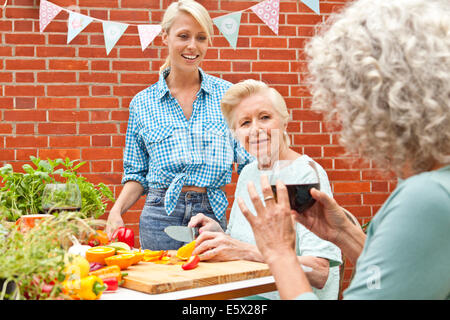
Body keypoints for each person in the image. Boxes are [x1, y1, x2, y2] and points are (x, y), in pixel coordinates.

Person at [237, 0, 450, 300]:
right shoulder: (435, 182)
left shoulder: (425, 197)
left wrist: (279, 253)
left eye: (350, 98)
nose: (344, 116)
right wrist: (344, 235)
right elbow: (396, 276)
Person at [105, 0, 252, 250]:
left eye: (201, 37)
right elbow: (136, 175)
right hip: (159, 216)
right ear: (165, 37)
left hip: (211, 215)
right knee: (163, 285)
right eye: (183, 36)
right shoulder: (142, 103)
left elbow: (250, 164)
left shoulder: (228, 96)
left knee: (211, 286)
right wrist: (116, 211)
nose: (192, 46)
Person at [189, 80, 342, 300]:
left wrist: (242, 250)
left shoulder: (305, 175)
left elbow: (320, 272)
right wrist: (219, 234)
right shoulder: (248, 173)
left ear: (284, 121)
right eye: (245, 123)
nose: (256, 130)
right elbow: (245, 244)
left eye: (265, 117)